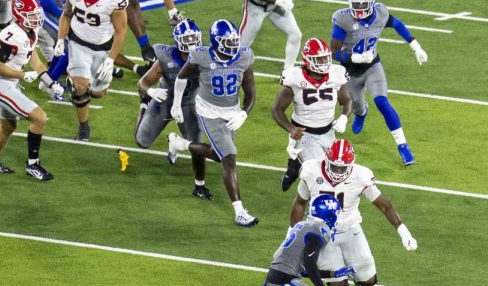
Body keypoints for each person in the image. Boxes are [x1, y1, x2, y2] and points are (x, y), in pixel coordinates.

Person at [289, 140, 417, 286]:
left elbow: (385, 205)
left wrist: (403, 231)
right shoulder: (311, 171)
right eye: (335, 166)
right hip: (321, 234)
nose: (339, 171)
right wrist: (293, 233)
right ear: (326, 160)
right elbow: (299, 203)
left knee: (368, 277)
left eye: (343, 167)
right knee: (337, 283)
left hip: (350, 229)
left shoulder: (361, 175)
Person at [169, 20, 258, 227]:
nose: (233, 45)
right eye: (228, 41)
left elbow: (250, 90)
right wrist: (176, 104)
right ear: (216, 42)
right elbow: (181, 77)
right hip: (208, 111)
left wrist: (244, 113)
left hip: (232, 111)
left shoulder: (244, 56)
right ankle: (239, 211)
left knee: (219, 156)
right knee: (229, 157)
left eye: (235, 40)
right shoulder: (201, 55)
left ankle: (180, 144)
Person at [329, 0, 427, 165]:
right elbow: (333, 52)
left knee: (382, 102)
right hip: (350, 72)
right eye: (354, 5)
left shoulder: (380, 13)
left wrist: (415, 45)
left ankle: (403, 146)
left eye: (361, 6)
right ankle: (361, 113)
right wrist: (354, 58)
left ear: (372, 4)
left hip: (373, 66)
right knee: (357, 106)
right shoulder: (343, 19)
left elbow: (397, 24)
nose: (357, 10)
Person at [0, 0, 60, 181]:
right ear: (19, 16)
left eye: (35, 14)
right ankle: (33, 166)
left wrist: (51, 82)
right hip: (1, 85)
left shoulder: (30, 32)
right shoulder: (12, 36)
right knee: (39, 118)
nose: (35, 19)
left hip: (9, 84)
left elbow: (35, 61)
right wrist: (23, 75)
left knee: (8, 126)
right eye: (30, 16)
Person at [53, 0, 129, 142]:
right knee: (80, 88)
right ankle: (83, 128)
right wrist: (61, 39)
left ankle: (84, 89)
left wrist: (111, 59)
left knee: (98, 93)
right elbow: (67, 14)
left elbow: (121, 32)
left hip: (103, 48)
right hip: (78, 43)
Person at [135, 18, 212, 200]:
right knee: (142, 141)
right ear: (177, 41)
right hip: (164, 101)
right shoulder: (166, 57)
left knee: (197, 145)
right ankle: (144, 105)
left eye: (194, 37)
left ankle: (199, 186)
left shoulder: (206, 56)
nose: (191, 42)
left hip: (189, 104)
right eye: (186, 39)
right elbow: (142, 82)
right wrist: (150, 91)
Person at [272, 37, 351, 191]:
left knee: (334, 168)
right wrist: (291, 129)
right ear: (308, 60)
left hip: (329, 132)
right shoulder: (294, 78)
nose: (324, 63)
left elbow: (346, 100)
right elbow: (276, 109)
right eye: (319, 59)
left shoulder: (337, 73)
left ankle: (294, 167)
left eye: (326, 58)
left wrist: (343, 117)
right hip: (304, 134)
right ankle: (313, 210)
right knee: (320, 176)